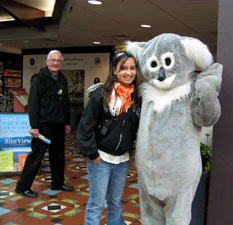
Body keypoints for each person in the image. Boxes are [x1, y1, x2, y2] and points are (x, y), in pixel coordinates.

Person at [76, 51, 140, 225]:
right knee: (96, 204)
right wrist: (92, 153)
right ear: (114, 71)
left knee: (115, 203)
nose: (128, 72)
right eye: (123, 68)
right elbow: (85, 126)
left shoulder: (136, 98)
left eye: (132, 68)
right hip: (101, 159)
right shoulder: (101, 96)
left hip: (123, 160)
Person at [15, 50, 74, 198]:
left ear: (62, 63)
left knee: (58, 156)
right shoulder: (39, 79)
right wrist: (34, 126)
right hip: (42, 126)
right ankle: (22, 187)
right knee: (37, 156)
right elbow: (33, 104)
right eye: (52, 60)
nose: (55, 63)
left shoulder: (63, 80)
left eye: (58, 61)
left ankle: (58, 183)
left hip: (59, 125)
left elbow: (65, 103)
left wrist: (67, 122)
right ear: (47, 62)